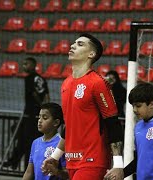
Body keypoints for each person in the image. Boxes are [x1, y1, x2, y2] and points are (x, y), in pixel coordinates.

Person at [41, 33, 125, 179]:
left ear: (91, 54)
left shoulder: (98, 83)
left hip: (92, 160)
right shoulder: (66, 83)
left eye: (80, 44)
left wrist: (118, 164)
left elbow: (113, 123)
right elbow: (70, 126)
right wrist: (55, 157)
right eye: (74, 43)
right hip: (71, 161)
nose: (72, 45)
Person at [2, 57, 50, 169]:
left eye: (26, 64)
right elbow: (47, 96)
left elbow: (33, 93)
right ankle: (14, 162)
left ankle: (22, 165)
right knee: (25, 139)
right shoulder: (42, 79)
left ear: (33, 65)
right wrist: (45, 109)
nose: (24, 66)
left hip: (31, 115)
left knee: (26, 140)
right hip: (37, 116)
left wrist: (40, 106)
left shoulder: (29, 78)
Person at [22, 102, 68, 180]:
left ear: (56, 122)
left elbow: (67, 175)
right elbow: (29, 172)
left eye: (45, 118)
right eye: (39, 117)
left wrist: (56, 171)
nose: (40, 121)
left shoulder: (61, 145)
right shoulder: (35, 143)